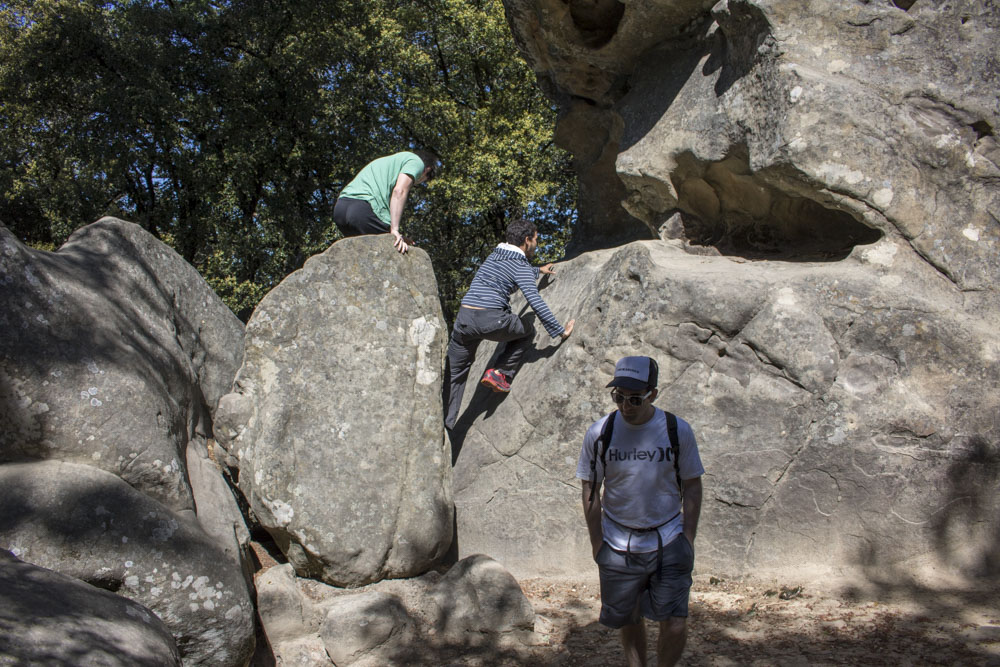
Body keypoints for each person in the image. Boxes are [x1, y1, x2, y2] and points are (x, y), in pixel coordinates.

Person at [576, 356, 704, 667]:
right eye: (618, 397)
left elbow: (692, 485)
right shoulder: (600, 433)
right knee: (630, 619)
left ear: (653, 395)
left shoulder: (677, 430)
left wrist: (687, 538)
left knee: (674, 622)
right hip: (618, 543)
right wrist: (597, 545)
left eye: (634, 399)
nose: (625, 406)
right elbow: (590, 491)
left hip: (669, 539)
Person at [444, 218, 575, 430]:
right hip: (491, 320)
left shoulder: (495, 256)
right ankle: (501, 372)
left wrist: (538, 271)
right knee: (527, 330)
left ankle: (445, 426)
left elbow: (512, 272)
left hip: (464, 320)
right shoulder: (520, 264)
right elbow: (534, 300)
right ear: (527, 240)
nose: (537, 244)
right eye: (536, 240)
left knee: (455, 376)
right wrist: (559, 331)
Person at [333, 150, 441, 254]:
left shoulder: (386, 163)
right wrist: (394, 231)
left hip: (340, 210)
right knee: (396, 250)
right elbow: (399, 191)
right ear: (427, 170)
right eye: (422, 180)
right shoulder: (416, 162)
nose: (417, 182)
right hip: (362, 209)